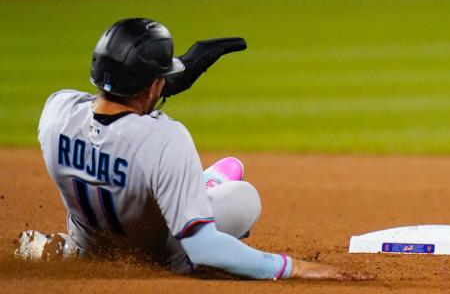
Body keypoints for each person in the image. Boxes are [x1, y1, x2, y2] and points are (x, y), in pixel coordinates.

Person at [16, 18, 366, 281]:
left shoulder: (55, 113)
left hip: (92, 246)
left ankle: (69, 248)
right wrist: (294, 267)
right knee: (244, 195)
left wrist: (157, 77)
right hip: (165, 256)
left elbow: (111, 101)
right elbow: (205, 248)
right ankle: (204, 187)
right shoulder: (164, 138)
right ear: (153, 86)